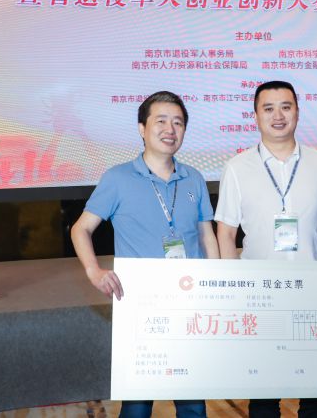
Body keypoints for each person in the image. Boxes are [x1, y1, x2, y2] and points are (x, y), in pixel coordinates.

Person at [215, 80, 317, 418]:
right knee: (263, 393)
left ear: (298, 113)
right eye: (268, 108)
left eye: (285, 107)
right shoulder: (236, 167)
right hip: (260, 293)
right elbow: (226, 233)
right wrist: (232, 286)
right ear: (255, 116)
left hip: (312, 291)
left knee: (316, 392)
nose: (278, 116)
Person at [71, 91, 219, 418]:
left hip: (190, 303)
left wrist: (216, 285)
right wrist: (94, 271)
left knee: (193, 402)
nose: (170, 129)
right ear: (142, 128)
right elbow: (80, 229)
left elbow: (206, 235)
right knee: (137, 405)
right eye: (161, 121)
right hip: (141, 307)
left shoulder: (194, 178)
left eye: (178, 123)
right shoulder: (118, 178)